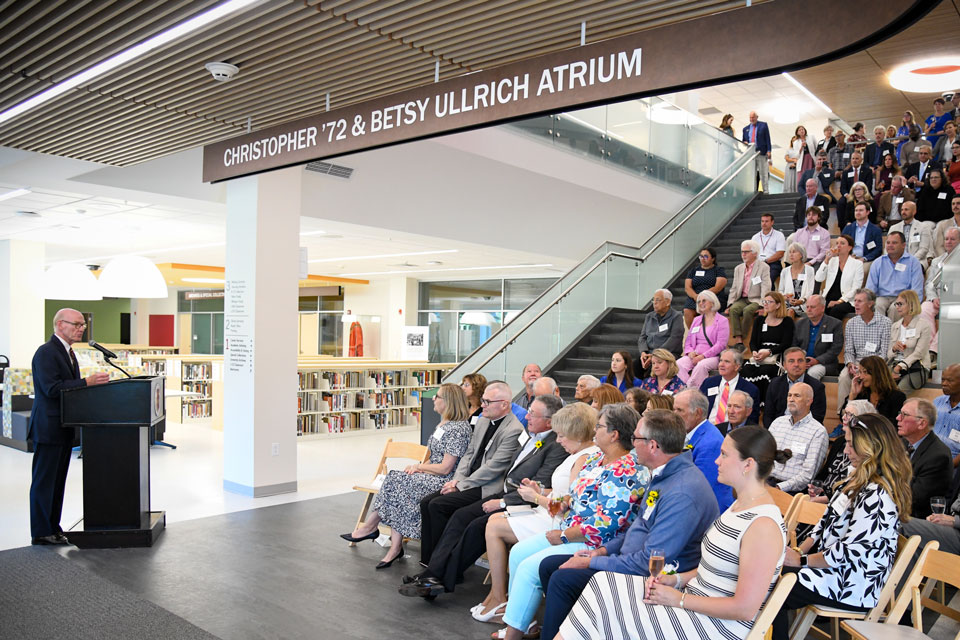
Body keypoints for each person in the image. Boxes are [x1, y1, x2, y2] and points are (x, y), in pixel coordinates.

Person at [557, 426, 788, 640]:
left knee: (600, 602)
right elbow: (715, 568)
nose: (717, 461)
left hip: (714, 627)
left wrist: (680, 599)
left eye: (725, 455)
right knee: (602, 584)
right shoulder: (739, 507)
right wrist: (675, 580)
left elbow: (745, 609)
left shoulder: (763, 526)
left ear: (748, 464)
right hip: (695, 605)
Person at [537, 409, 720, 640]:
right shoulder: (664, 475)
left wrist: (594, 562)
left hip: (654, 579)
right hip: (630, 560)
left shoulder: (682, 492)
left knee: (563, 579)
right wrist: (601, 551)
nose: (631, 444)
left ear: (653, 446)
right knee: (549, 566)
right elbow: (638, 529)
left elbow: (650, 563)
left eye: (636, 439)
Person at [488, 403, 648, 640]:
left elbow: (607, 524)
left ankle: (513, 633)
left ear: (614, 435)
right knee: (519, 552)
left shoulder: (627, 470)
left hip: (595, 543)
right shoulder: (597, 458)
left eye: (600, 426)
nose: (595, 430)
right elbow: (576, 495)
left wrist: (564, 535)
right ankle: (523, 621)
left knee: (530, 568)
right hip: (569, 528)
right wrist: (559, 502)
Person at [401, 393, 566, 597]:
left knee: (476, 526)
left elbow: (537, 486)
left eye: (533, 413)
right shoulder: (530, 435)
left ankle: (439, 578)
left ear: (549, 421)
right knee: (459, 515)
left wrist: (503, 502)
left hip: (523, 504)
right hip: (504, 492)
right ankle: (432, 574)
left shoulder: (555, 445)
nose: (527, 416)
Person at [772, 413, 913, 640]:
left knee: (773, 585)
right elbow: (824, 522)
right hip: (834, 569)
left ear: (870, 448)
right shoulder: (857, 480)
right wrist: (799, 551)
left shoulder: (877, 495)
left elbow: (848, 552)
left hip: (853, 582)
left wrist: (801, 561)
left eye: (850, 444)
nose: (846, 451)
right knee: (771, 575)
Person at [472, 403, 600, 624]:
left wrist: (537, 498)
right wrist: (540, 490)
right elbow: (563, 493)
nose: (558, 441)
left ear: (575, 434)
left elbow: (569, 505)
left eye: (561, 435)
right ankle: (498, 595)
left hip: (557, 521)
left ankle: (501, 597)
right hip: (550, 512)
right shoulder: (579, 454)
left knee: (493, 526)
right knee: (493, 521)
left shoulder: (584, 459)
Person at [340, 383, 473, 567]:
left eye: (438, 396)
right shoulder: (445, 423)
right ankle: (392, 545)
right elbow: (434, 457)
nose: (433, 399)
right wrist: (420, 468)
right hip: (432, 475)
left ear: (449, 402)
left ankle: (373, 529)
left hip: (444, 481)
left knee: (396, 480)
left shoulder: (458, 429)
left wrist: (420, 467)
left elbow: (445, 468)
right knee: (397, 483)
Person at [413, 382, 524, 574]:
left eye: (488, 402)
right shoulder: (482, 420)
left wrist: (461, 485)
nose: (483, 405)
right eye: (483, 401)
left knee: (438, 505)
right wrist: (457, 479)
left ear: (505, 404)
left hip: (487, 486)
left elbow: (493, 468)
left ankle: (440, 566)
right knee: (426, 503)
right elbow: (468, 454)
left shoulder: (513, 430)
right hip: (467, 480)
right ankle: (429, 561)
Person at [28, 308, 110, 545]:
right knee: (45, 482)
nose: (81, 328)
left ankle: (53, 527)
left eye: (83, 324)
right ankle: (41, 532)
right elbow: (51, 389)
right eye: (76, 324)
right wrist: (86, 382)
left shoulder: (69, 353)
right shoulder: (46, 353)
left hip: (63, 427)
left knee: (57, 482)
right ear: (59, 325)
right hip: (48, 427)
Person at [806, 400, 877, 508]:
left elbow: (853, 490)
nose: (843, 417)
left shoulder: (866, 451)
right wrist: (816, 488)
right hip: (823, 497)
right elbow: (824, 475)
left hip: (841, 504)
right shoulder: (839, 442)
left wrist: (823, 499)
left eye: (849, 415)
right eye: (845, 413)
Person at [673, 388, 733, 510]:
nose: (674, 415)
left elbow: (699, 487)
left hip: (709, 510)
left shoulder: (711, 443)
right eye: (673, 409)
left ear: (698, 413)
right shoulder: (692, 432)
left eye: (679, 410)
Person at [896, 398, 954, 519]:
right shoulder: (902, 443)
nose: (898, 418)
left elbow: (914, 498)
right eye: (899, 413)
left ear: (922, 423)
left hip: (916, 519)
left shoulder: (938, 456)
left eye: (904, 415)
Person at [767, 383, 829, 492]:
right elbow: (763, 457)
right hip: (766, 482)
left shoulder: (818, 432)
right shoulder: (777, 423)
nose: (791, 399)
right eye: (789, 395)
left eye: (797, 396)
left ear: (809, 401)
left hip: (792, 491)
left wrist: (779, 488)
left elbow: (807, 475)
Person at [838, 290, 892, 407]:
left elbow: (884, 352)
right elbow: (848, 350)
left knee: (873, 376)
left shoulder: (885, 322)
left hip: (876, 363)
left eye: (860, 301)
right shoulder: (851, 323)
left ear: (870, 304)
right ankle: (843, 412)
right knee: (843, 377)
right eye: (855, 301)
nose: (855, 304)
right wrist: (850, 364)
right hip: (856, 362)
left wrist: (867, 367)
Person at [740, 291, 794, 403]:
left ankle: (764, 404)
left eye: (769, 302)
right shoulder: (759, 320)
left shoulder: (787, 321)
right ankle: (747, 403)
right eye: (764, 301)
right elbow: (753, 341)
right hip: (759, 355)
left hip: (776, 355)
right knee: (746, 370)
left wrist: (769, 352)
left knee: (767, 371)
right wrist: (754, 351)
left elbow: (786, 343)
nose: (765, 304)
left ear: (778, 305)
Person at [763, 347, 827, 429]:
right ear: (784, 365)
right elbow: (768, 415)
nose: (796, 364)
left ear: (805, 364)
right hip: (779, 429)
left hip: (805, 431)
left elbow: (818, 417)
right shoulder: (775, 384)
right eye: (791, 361)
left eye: (800, 361)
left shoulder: (816, 386)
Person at [866, 231, 925, 319]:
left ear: (903, 245)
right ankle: (879, 332)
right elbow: (870, 288)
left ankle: (894, 332)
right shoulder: (878, 262)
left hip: (904, 298)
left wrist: (913, 304)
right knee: (877, 305)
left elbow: (917, 289)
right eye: (888, 242)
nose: (890, 245)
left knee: (895, 308)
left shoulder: (913, 262)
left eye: (894, 243)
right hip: (882, 297)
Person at [678, 290, 730, 389]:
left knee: (701, 366)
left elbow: (721, 344)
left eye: (704, 301)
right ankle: (683, 387)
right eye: (699, 301)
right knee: (678, 364)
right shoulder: (696, 320)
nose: (701, 303)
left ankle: (692, 390)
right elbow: (688, 340)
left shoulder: (722, 321)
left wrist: (703, 356)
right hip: (694, 354)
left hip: (712, 356)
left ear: (713, 302)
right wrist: (690, 352)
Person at [727, 240, 771, 350]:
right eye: (742, 252)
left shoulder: (764, 267)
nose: (743, 254)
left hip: (756, 299)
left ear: (755, 253)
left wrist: (763, 305)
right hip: (742, 298)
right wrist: (730, 304)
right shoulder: (738, 268)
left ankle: (744, 338)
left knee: (748, 311)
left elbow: (766, 287)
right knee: (734, 310)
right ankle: (738, 339)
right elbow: (734, 288)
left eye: (746, 252)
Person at [923, 227, 959, 360]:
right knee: (924, 309)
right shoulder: (937, 261)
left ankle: (934, 351)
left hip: (955, 300)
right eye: (946, 239)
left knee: (951, 313)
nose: (949, 242)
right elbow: (930, 284)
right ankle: (926, 346)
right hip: (937, 298)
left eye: (953, 239)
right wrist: (933, 298)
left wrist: (948, 299)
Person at [699, 349, 760, 425]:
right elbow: (698, 407)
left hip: (732, 431)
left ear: (737, 367)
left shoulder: (750, 390)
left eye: (727, 361)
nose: (721, 364)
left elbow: (752, 420)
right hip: (708, 428)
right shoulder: (709, 383)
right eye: (721, 361)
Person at [888, 290, 933, 393]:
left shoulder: (923, 325)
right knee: (879, 387)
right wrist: (894, 348)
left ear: (911, 305)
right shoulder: (895, 326)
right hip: (895, 364)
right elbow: (889, 354)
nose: (897, 307)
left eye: (900, 304)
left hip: (916, 367)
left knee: (899, 392)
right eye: (896, 304)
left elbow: (919, 354)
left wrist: (900, 367)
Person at [792, 295, 844, 379]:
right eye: (807, 307)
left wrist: (817, 361)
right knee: (789, 370)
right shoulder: (799, 324)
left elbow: (835, 349)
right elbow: (794, 346)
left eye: (812, 307)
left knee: (813, 373)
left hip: (825, 363)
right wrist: (800, 360)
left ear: (822, 308)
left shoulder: (835, 324)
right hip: (801, 362)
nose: (808, 310)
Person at [637, 289, 684, 377]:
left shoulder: (676, 316)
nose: (654, 303)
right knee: (633, 368)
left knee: (651, 371)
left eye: (657, 300)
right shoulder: (649, 316)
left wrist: (655, 355)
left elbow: (674, 339)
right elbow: (642, 338)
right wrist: (643, 352)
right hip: (649, 354)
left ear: (667, 302)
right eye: (653, 300)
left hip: (667, 354)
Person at [845, 355, 906, 424]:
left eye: (865, 372)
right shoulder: (862, 394)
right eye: (860, 372)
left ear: (877, 373)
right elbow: (845, 418)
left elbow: (895, 424)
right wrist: (852, 395)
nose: (861, 377)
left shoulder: (897, 397)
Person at [816, 234, 864, 319]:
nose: (838, 245)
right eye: (837, 243)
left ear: (850, 248)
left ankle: (833, 332)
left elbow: (856, 288)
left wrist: (840, 301)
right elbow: (818, 278)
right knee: (817, 308)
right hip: (828, 297)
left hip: (847, 299)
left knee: (835, 310)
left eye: (842, 243)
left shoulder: (857, 264)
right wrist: (826, 260)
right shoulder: (831, 261)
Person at [682, 248, 728, 329]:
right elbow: (687, 287)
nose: (702, 259)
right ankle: (693, 333)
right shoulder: (693, 271)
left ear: (713, 258)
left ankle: (709, 332)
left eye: (706, 256)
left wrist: (704, 296)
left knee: (708, 307)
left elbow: (718, 287)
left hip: (712, 296)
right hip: (695, 296)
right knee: (687, 310)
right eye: (701, 256)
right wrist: (695, 296)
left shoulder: (718, 270)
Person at [842, 202, 883, 275]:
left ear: (867, 212)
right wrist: (848, 256)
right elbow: (841, 245)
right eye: (856, 210)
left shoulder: (875, 230)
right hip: (850, 258)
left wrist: (864, 258)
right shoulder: (848, 228)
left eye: (861, 210)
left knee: (862, 271)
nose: (858, 212)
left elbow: (878, 249)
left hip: (866, 259)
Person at [887, 200, 933, 265]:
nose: (903, 212)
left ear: (914, 212)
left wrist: (909, 261)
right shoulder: (894, 228)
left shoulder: (923, 227)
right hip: (896, 260)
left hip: (917, 260)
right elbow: (887, 247)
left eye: (906, 210)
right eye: (902, 210)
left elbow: (923, 249)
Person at [932, 364, 960, 468]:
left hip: (954, 462)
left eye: (950, 381)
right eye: (942, 379)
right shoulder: (937, 402)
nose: (944, 384)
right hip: (930, 456)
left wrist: (948, 468)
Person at [779, 242, 815, 317]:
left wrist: (801, 300)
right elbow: (780, 290)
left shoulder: (810, 270)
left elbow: (811, 290)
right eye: (790, 252)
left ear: (801, 254)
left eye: (794, 252)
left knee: (791, 311)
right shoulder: (785, 271)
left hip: (803, 304)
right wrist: (787, 298)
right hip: (787, 303)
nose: (791, 254)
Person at [838, 153, 874, 228]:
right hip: (850, 195)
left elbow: (868, 186)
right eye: (853, 159)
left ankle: (871, 223)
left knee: (872, 201)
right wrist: (847, 195)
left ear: (861, 160)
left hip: (864, 193)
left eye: (857, 159)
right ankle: (843, 226)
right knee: (841, 202)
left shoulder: (867, 171)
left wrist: (861, 193)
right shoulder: (845, 172)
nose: (854, 161)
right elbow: (843, 188)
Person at [743, 111, 773, 192]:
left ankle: (766, 190)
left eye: (753, 117)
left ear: (757, 117)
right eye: (750, 117)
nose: (751, 119)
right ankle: (753, 190)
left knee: (763, 173)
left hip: (761, 152)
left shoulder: (763, 125)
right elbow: (744, 141)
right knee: (752, 174)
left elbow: (768, 139)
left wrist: (769, 150)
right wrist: (745, 143)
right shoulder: (745, 129)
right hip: (751, 154)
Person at [752, 213, 786, 284]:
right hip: (758, 264)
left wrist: (766, 261)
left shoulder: (779, 235)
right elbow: (752, 253)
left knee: (767, 280)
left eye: (766, 221)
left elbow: (780, 253)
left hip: (773, 264)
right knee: (754, 281)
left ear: (772, 222)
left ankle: (768, 294)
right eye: (762, 221)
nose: (764, 223)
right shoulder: (755, 237)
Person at [785, 125, 816, 193]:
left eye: (803, 129)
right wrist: (801, 147)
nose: (802, 131)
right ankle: (802, 191)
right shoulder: (795, 142)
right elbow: (796, 155)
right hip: (802, 160)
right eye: (800, 130)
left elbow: (815, 148)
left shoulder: (811, 137)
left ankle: (812, 189)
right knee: (801, 175)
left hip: (810, 158)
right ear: (797, 132)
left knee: (811, 173)